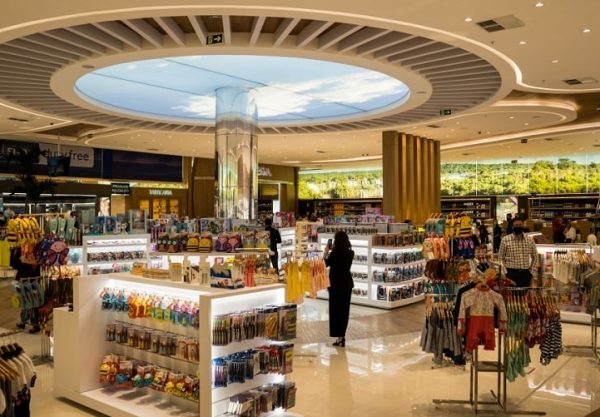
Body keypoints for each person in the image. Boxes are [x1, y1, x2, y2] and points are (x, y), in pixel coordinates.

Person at [324, 231, 354, 347]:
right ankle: (342, 336)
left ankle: (339, 336)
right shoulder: (350, 253)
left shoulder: (334, 253)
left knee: (335, 311)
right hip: (347, 284)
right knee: (344, 311)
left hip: (335, 284)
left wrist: (326, 252)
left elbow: (325, 264)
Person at [498, 216, 537, 288]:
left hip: (525, 273)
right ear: (512, 226)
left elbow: (535, 257)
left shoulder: (529, 239)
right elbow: (500, 257)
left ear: (523, 225)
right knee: (511, 294)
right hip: (510, 273)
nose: (518, 227)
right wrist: (505, 272)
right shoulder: (505, 240)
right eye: (516, 225)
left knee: (524, 294)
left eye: (520, 225)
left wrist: (531, 272)